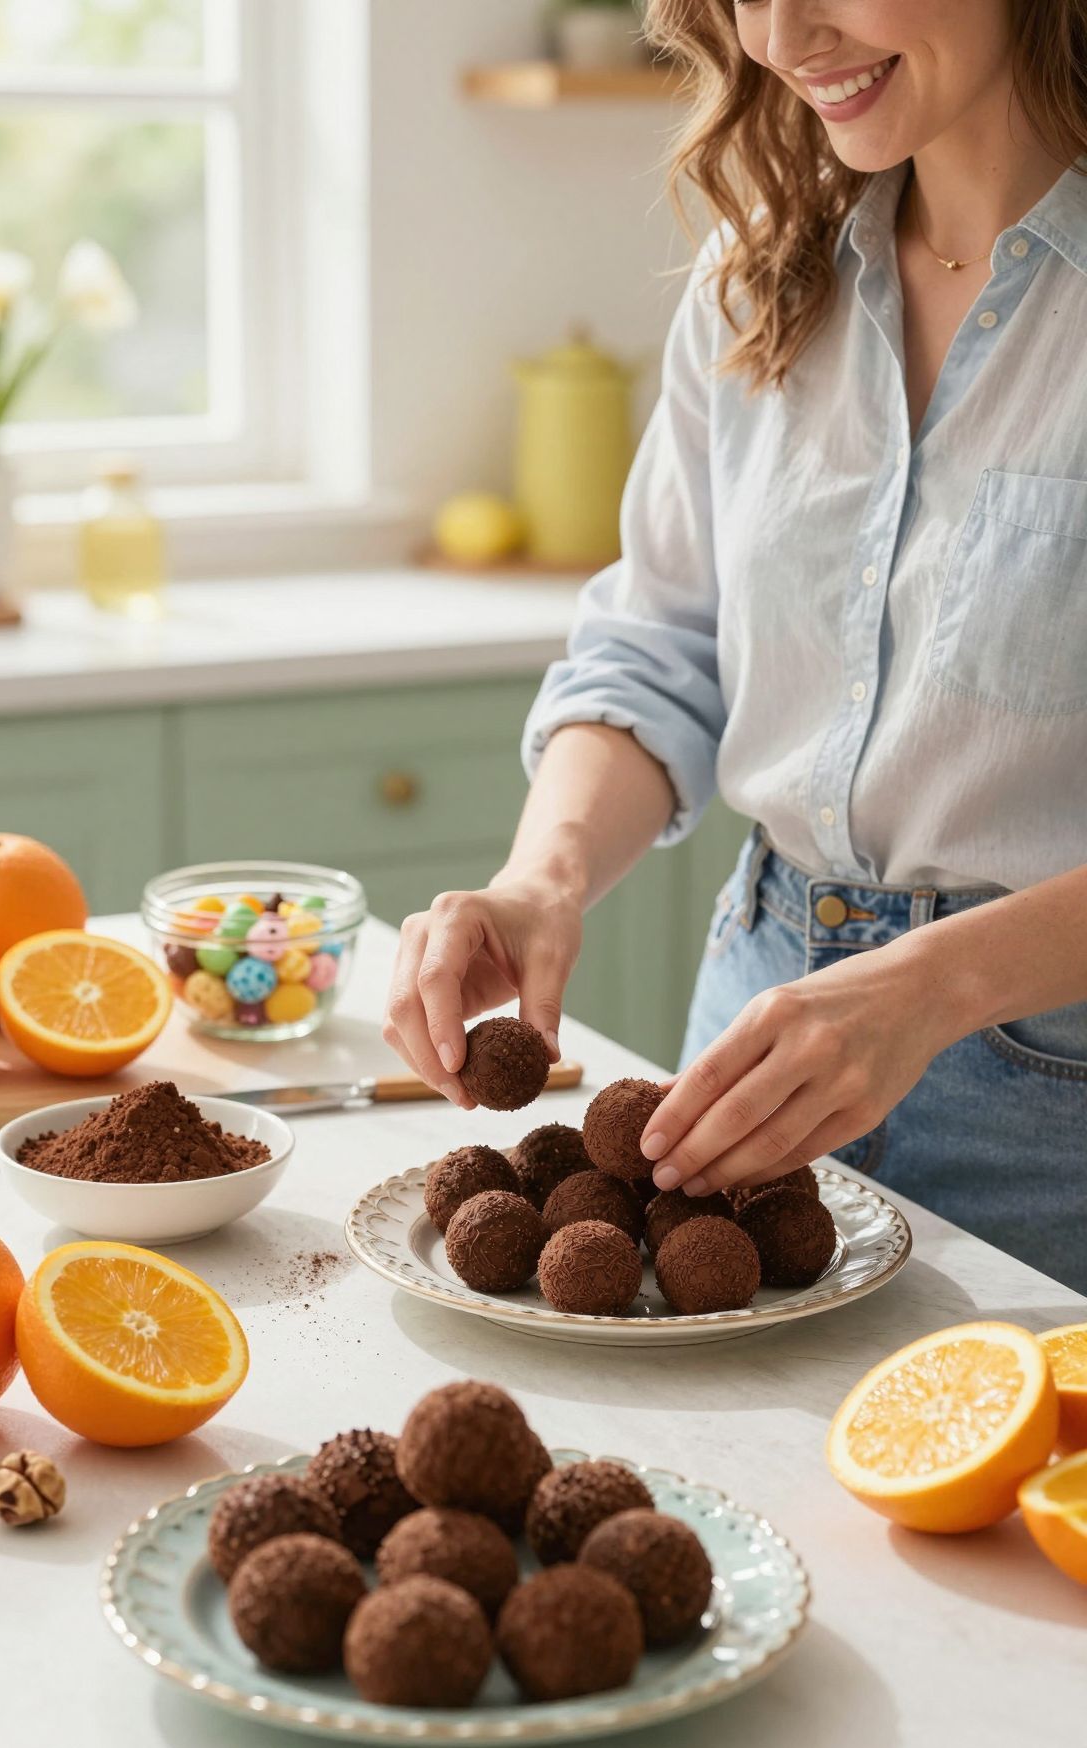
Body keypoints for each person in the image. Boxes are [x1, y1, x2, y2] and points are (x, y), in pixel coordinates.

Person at [385, 0, 1087, 1292]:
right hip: (754, 1036)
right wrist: (546, 875)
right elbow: (662, 647)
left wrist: (927, 986)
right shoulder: (760, 277)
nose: (778, 35)